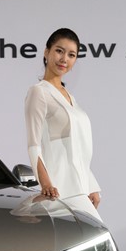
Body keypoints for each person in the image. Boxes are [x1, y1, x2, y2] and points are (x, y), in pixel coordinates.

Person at [24, 28, 102, 221]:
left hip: (79, 189)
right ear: (46, 52)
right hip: (60, 191)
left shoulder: (70, 97)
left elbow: (77, 149)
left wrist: (91, 185)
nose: (64, 59)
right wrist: (46, 185)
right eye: (59, 51)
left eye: (71, 55)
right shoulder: (39, 92)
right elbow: (33, 145)